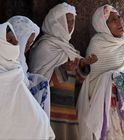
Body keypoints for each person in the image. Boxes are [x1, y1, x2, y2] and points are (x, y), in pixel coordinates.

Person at [28, 2, 97, 140]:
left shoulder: (70, 49)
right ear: (55, 22)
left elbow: (77, 83)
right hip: (49, 111)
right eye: (66, 21)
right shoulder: (43, 48)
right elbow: (36, 86)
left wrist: (83, 66)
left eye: (72, 21)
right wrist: (62, 70)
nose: (70, 25)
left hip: (68, 111)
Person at [77, 4, 124, 140]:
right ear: (102, 25)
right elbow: (92, 82)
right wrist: (111, 78)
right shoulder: (97, 45)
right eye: (113, 20)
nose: (119, 22)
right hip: (107, 108)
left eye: (119, 18)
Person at [0, 21, 54, 139]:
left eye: (15, 39)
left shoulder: (17, 70)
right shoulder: (8, 74)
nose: (16, 43)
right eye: (9, 40)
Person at [8, 16, 53, 120]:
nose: (27, 47)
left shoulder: (21, 60)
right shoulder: (6, 58)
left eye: (30, 43)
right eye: (26, 43)